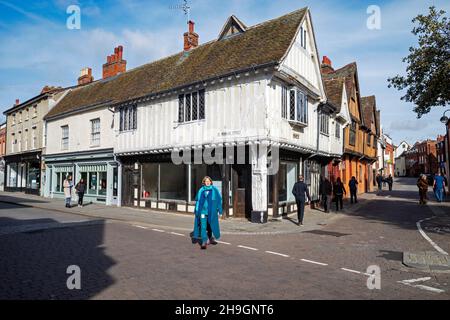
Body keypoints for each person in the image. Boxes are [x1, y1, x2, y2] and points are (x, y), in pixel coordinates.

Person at [192, 176, 223, 250]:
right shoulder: (201, 190)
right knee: (203, 227)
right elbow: (198, 201)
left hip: (212, 212)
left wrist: (220, 211)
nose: (207, 182)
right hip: (202, 212)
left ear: (211, 182)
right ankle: (204, 241)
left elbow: (219, 201)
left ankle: (210, 237)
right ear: (204, 182)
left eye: (208, 181)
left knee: (210, 225)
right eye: (206, 181)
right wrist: (196, 210)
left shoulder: (214, 190)